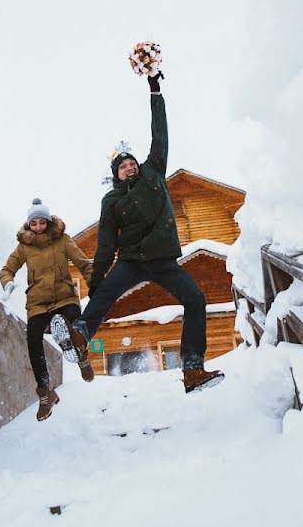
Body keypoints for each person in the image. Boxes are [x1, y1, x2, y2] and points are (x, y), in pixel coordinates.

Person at [50, 72, 224, 394]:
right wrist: (97, 279)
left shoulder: (154, 172)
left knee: (195, 298)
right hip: (130, 261)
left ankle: (192, 368)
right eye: (122, 167)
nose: (129, 167)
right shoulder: (112, 200)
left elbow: (160, 135)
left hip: (162, 260)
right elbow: (105, 244)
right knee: (103, 295)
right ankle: (79, 335)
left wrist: (154, 88)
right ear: (116, 175)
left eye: (131, 163)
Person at [0, 198, 94, 421]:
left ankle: (81, 355)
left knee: (70, 322)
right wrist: (8, 283)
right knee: (33, 341)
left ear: (49, 222)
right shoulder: (25, 246)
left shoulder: (62, 240)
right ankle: (46, 392)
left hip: (64, 297)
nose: (39, 227)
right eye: (35, 224)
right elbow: (7, 269)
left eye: (43, 222)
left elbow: (83, 264)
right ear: (29, 225)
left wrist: (95, 284)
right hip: (37, 303)